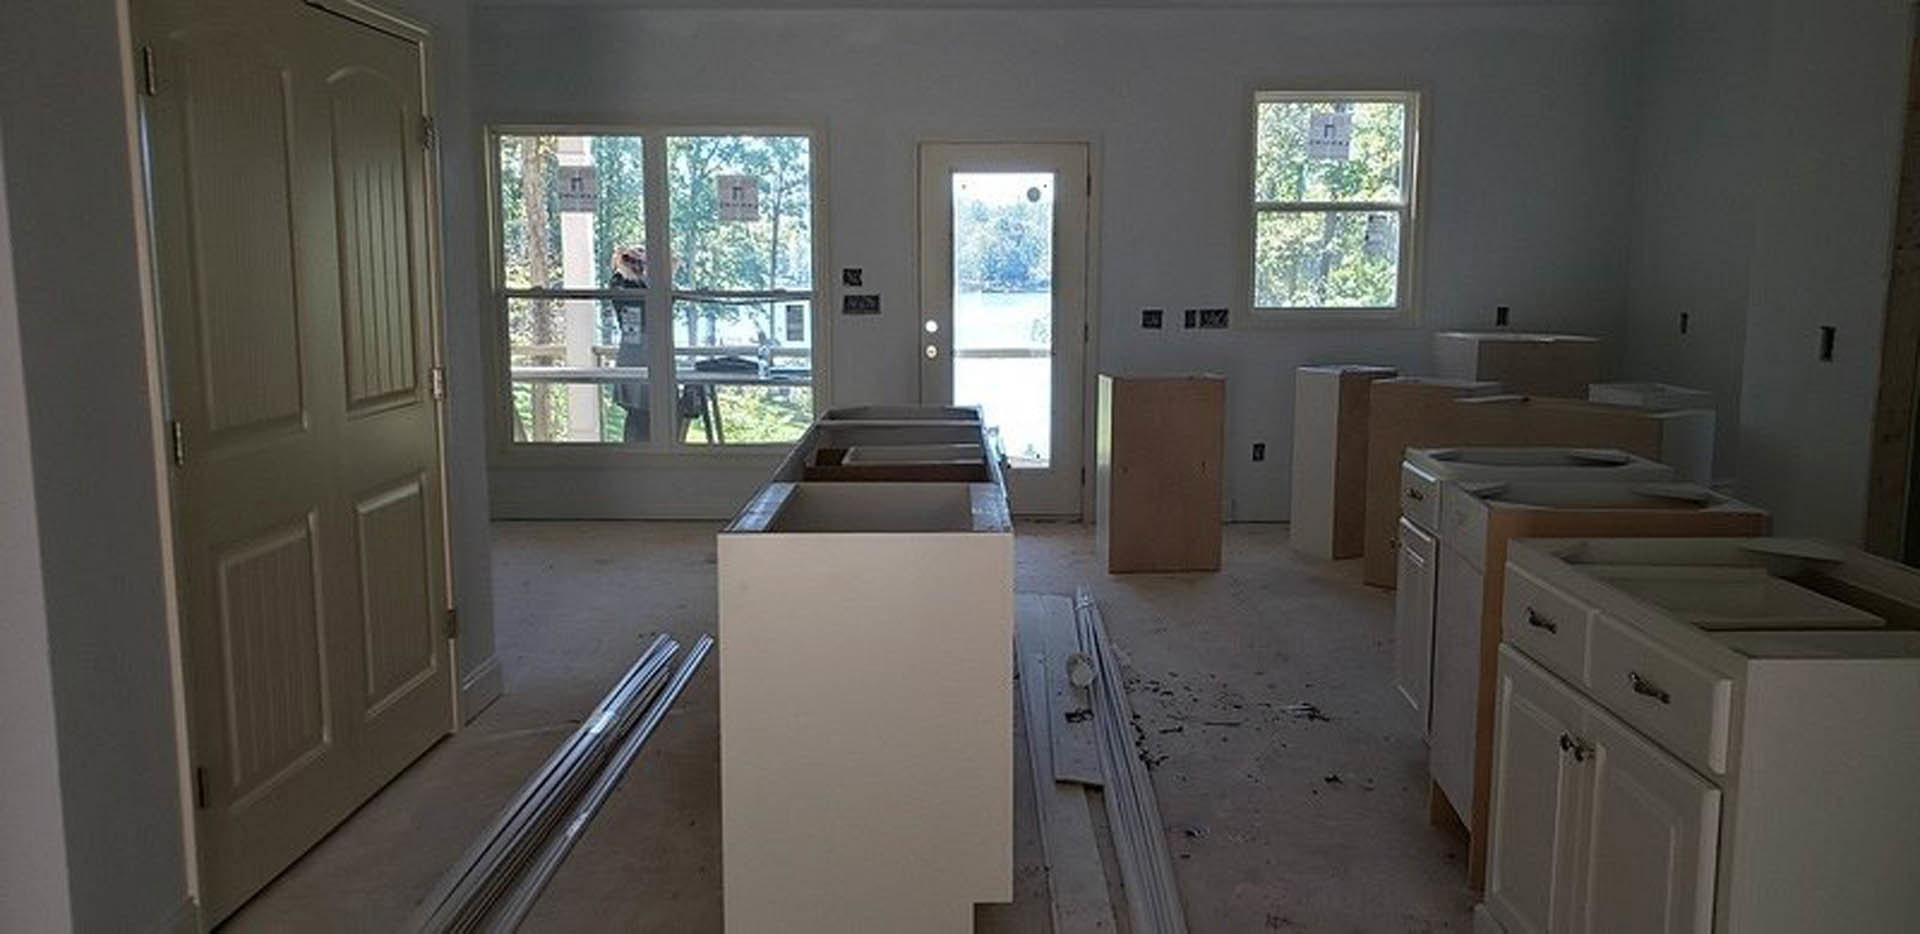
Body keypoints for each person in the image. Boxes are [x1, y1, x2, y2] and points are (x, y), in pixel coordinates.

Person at [605, 246, 649, 441]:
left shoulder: (647, 284)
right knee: (637, 415)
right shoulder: (620, 282)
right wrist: (623, 266)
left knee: (648, 416)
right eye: (631, 260)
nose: (637, 265)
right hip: (635, 353)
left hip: (648, 351)